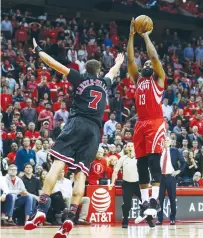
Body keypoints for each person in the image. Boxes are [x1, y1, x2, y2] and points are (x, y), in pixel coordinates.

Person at [24, 38, 124, 238]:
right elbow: (112, 73)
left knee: (58, 165)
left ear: (86, 70)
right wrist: (119, 62)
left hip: (78, 123)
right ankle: (71, 218)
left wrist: (38, 50)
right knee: (81, 174)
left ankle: (41, 209)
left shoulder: (80, 77)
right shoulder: (104, 83)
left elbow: (54, 64)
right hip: (95, 132)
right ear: (98, 72)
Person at [127, 18, 166, 223]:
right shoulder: (138, 78)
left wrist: (145, 36)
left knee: (153, 162)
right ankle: (145, 203)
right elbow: (131, 60)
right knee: (141, 164)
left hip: (155, 122)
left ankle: (155, 202)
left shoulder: (158, 79)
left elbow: (153, 56)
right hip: (140, 123)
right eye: (147, 64)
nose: (149, 63)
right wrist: (131, 35)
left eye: (151, 64)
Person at [109, 142, 154, 228]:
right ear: (126, 149)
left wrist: (149, 182)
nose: (130, 148)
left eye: (131, 146)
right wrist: (112, 182)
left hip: (139, 184)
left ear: (135, 148)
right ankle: (125, 219)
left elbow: (147, 171)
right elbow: (115, 171)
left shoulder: (140, 158)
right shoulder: (122, 159)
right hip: (127, 184)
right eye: (128, 146)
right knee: (127, 204)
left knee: (145, 203)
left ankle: (149, 219)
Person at [156, 137, 185, 225]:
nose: (166, 142)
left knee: (172, 199)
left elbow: (183, 163)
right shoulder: (158, 152)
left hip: (171, 177)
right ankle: (159, 219)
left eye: (167, 140)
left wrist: (178, 171)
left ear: (170, 142)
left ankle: (172, 218)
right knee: (160, 200)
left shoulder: (175, 151)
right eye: (164, 140)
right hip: (161, 178)